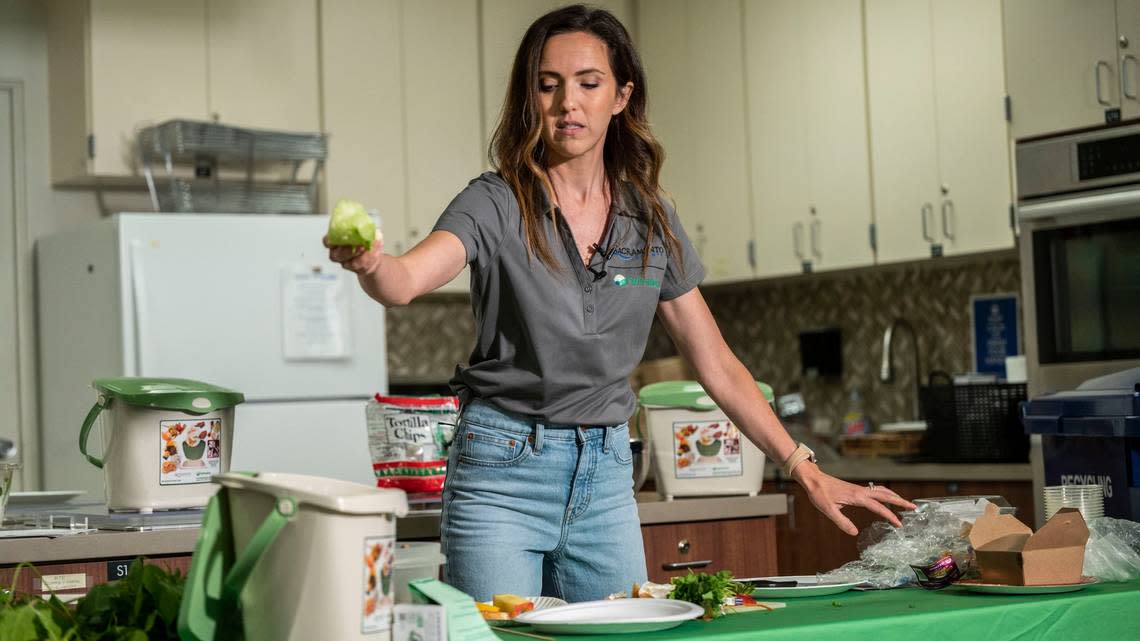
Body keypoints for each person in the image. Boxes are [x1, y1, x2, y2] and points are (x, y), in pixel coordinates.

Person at [327, 4, 914, 602]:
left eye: (588, 83)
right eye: (547, 85)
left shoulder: (651, 218)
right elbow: (403, 283)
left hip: (606, 474)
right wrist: (372, 262)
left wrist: (803, 468)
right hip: (502, 471)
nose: (567, 104)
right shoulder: (496, 202)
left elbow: (716, 363)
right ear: (529, 98)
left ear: (620, 96)